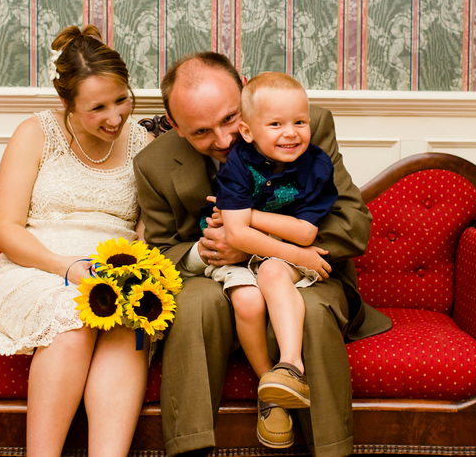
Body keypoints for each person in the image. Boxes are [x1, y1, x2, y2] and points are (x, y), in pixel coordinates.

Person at [134, 53, 391, 457]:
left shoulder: (301, 124)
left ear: (245, 86)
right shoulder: (153, 164)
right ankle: (189, 447)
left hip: (303, 273)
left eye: (229, 118)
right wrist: (206, 252)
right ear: (176, 127)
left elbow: (352, 225)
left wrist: (271, 245)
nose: (223, 140)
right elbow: (161, 251)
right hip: (216, 282)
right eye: (201, 131)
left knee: (309, 311)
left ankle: (329, 448)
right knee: (192, 303)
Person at [0, 25, 153, 457]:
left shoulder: (144, 142)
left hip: (113, 269)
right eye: (97, 108)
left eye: (122, 99)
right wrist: (66, 267)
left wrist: (138, 272)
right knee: (75, 317)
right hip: (35, 269)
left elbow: (147, 228)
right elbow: (6, 229)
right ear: (66, 104)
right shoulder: (37, 133)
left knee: (126, 323)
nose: (114, 117)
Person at [205, 72, 338, 448]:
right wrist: (297, 252)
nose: (291, 133)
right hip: (242, 256)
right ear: (247, 132)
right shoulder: (237, 164)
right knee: (246, 299)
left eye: (299, 122)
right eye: (276, 124)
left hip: (278, 258)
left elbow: (307, 232)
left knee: (274, 269)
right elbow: (236, 237)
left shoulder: (316, 165)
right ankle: (270, 387)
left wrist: (245, 214)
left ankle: (290, 367)